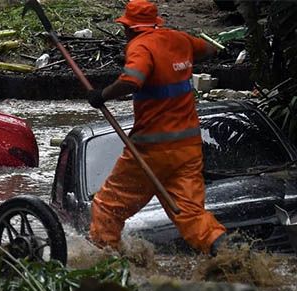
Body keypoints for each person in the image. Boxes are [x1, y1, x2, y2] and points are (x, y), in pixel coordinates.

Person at [86, 0, 229, 256]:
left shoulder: (140, 46)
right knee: (193, 216)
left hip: (151, 151)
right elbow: (209, 49)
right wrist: (179, 61)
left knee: (107, 207)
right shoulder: (179, 39)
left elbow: (133, 80)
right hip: (187, 149)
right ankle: (234, 257)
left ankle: (105, 267)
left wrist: (102, 95)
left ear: (130, 28)